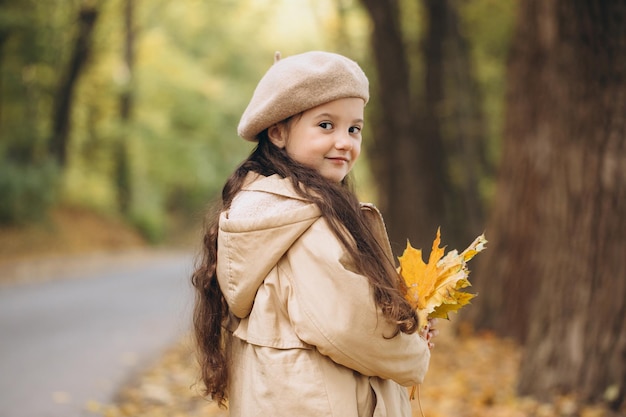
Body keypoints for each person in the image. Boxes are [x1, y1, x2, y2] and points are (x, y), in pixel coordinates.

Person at [191, 50, 437, 417]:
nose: (344, 141)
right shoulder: (305, 225)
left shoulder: (267, 209)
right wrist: (414, 348)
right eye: (326, 125)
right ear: (277, 131)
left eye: (354, 128)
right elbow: (348, 326)